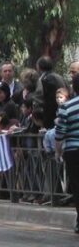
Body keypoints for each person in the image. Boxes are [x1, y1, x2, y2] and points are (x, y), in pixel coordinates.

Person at [54, 73, 79, 234]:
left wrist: (58, 152)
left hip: (73, 151)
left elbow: (60, 133)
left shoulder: (67, 107)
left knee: (77, 185)